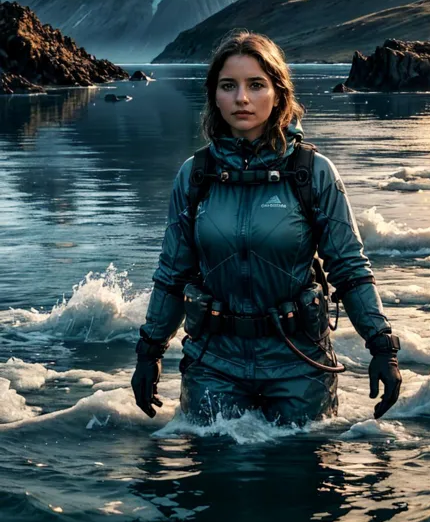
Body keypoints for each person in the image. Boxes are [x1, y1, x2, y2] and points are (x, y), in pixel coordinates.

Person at [132, 31, 402, 426]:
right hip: (213, 365)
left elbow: (349, 268)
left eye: (256, 84)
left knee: (304, 479)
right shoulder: (195, 176)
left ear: (278, 92)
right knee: (212, 480)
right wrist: (149, 353)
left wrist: (382, 348)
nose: (242, 98)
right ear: (214, 96)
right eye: (229, 86)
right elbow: (173, 274)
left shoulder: (313, 173)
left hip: (300, 365)